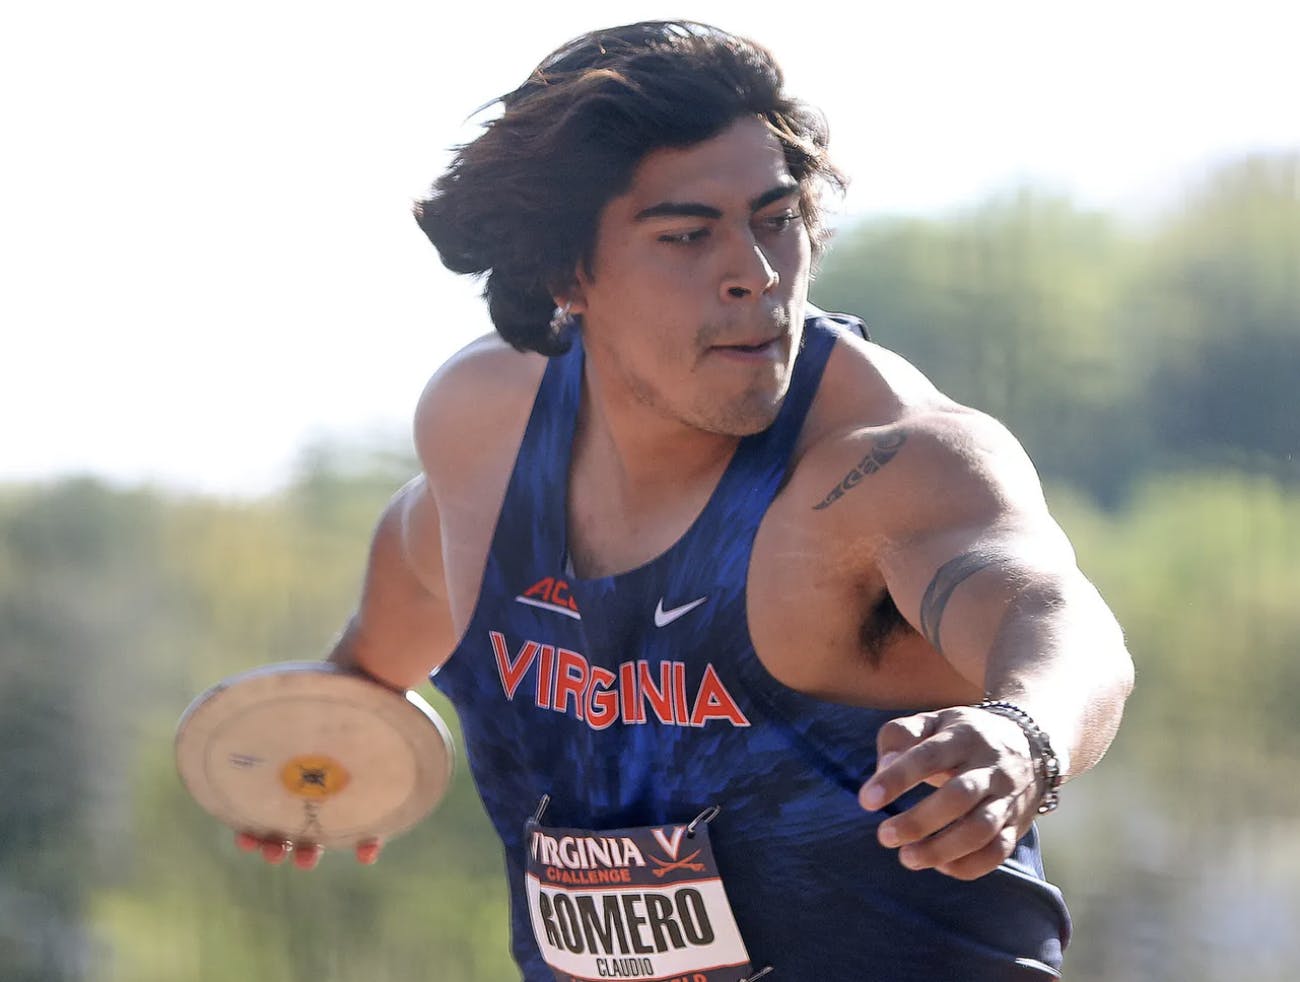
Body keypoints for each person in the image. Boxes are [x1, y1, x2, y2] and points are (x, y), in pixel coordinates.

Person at [237, 21, 1134, 980]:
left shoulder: (880, 465)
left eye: (776, 219)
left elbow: (1054, 615)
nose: (754, 272)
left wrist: (1020, 736)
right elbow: (424, 562)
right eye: (687, 236)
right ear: (565, 272)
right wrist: (336, 713)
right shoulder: (486, 433)